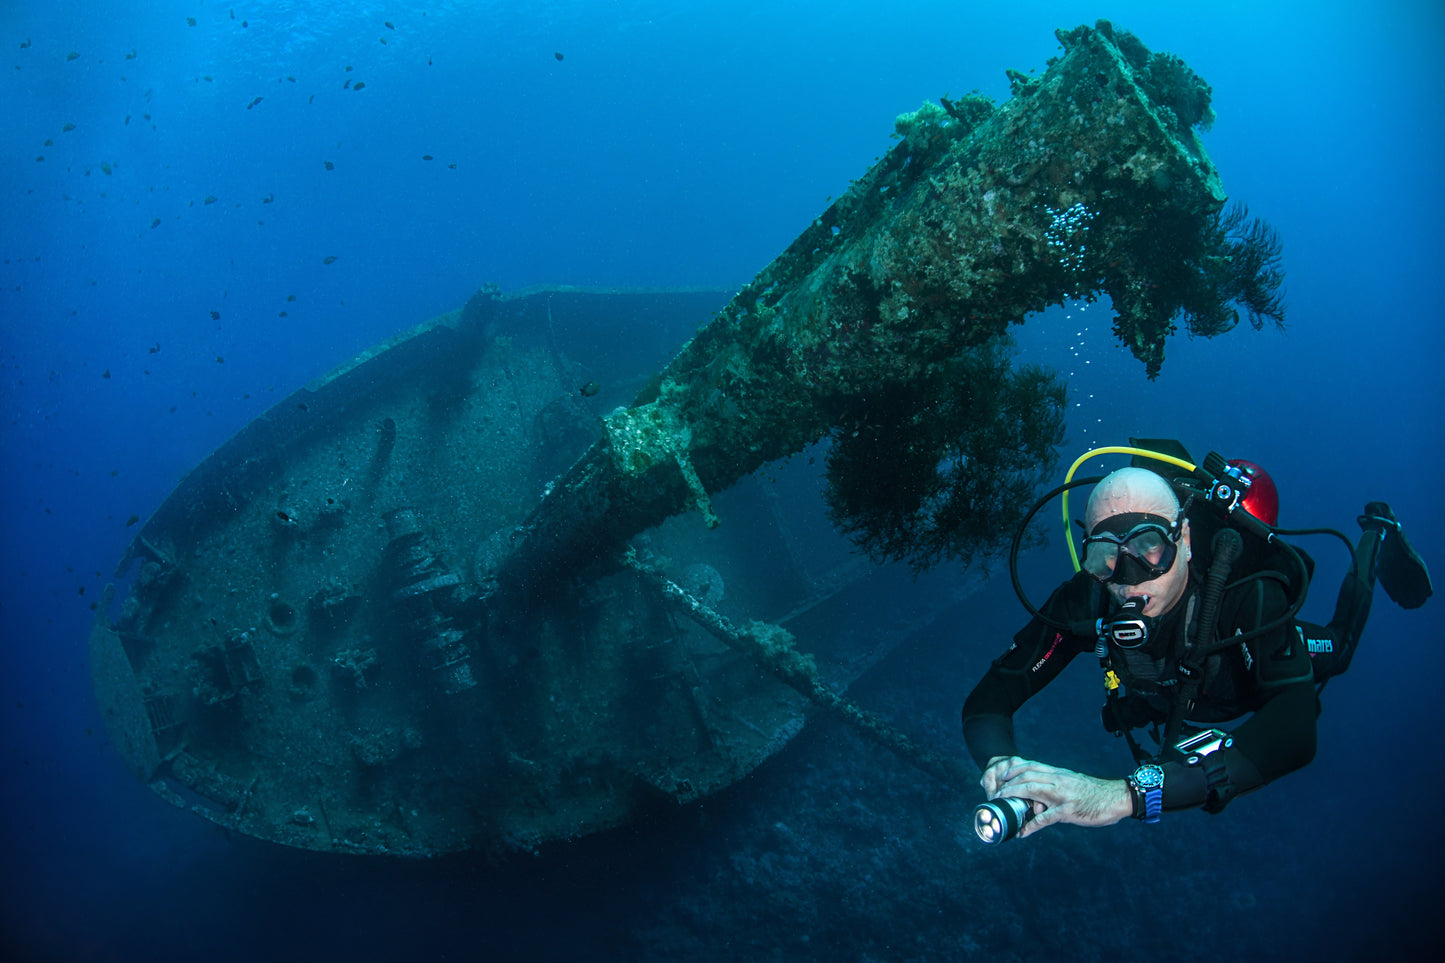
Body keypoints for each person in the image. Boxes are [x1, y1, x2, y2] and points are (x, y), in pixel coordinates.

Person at [962, 459, 1432, 839]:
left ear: (1182, 541)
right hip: (1175, 697)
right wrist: (1003, 766)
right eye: (1104, 553)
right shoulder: (1088, 596)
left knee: (1340, 650)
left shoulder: (1248, 599)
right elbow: (987, 705)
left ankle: (1377, 530)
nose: (1126, 579)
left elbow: (1294, 732)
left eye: (1148, 547)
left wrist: (1119, 796)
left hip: (1247, 667)